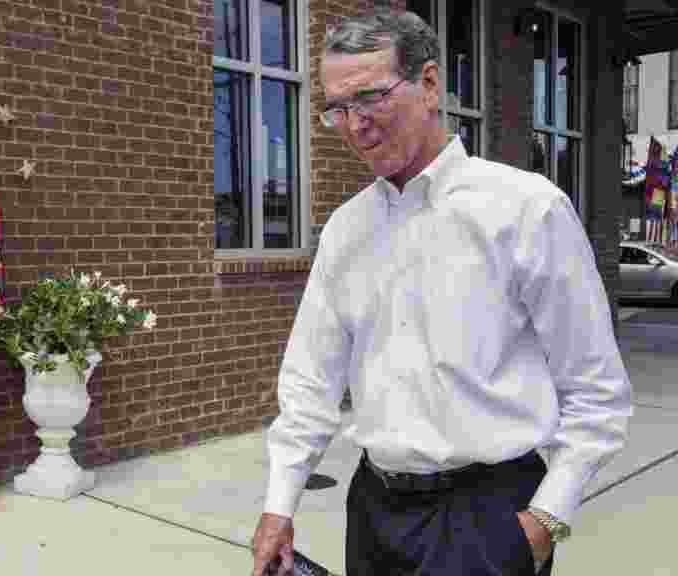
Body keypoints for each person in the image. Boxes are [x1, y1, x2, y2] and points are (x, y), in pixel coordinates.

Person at [250, 9, 632, 576]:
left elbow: (596, 391)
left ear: (429, 84)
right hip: (374, 511)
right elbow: (310, 379)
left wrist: (545, 522)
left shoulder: (526, 210)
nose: (355, 125)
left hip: (489, 512)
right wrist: (279, 505)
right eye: (339, 108)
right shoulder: (345, 230)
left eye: (370, 98)